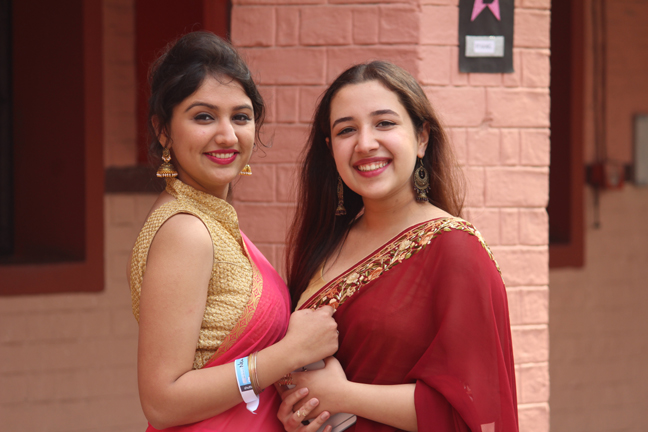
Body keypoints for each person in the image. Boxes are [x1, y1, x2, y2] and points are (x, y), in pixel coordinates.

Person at [278, 61, 519, 432]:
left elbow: (475, 410)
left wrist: (342, 395)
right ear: (330, 149)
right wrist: (299, 414)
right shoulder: (327, 243)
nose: (365, 143)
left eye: (384, 123)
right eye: (346, 130)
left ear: (422, 138)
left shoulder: (454, 249)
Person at [128, 31, 338, 432]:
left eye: (240, 117)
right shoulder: (186, 231)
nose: (227, 135)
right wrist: (290, 353)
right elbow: (161, 401)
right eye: (204, 117)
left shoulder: (212, 220)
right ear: (163, 130)